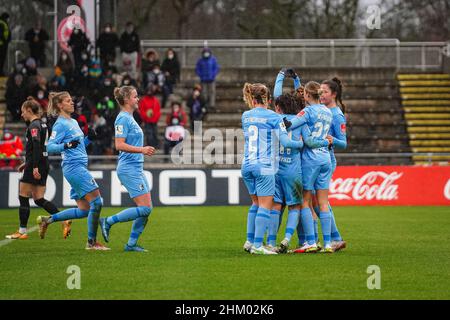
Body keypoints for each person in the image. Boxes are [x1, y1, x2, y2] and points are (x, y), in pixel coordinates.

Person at [37, 91, 109, 250]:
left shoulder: (74, 122)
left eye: (72, 100)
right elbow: (49, 146)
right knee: (97, 202)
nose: (72, 103)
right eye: (68, 101)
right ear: (60, 105)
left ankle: (47, 220)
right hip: (74, 167)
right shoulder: (60, 124)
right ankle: (91, 243)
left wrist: (89, 138)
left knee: (84, 210)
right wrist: (65, 146)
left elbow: (78, 145)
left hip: (78, 166)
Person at [240, 82, 305, 255]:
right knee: (265, 206)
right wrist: (300, 143)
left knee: (255, 203)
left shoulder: (245, 116)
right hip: (265, 166)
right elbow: (284, 141)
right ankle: (258, 245)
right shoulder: (274, 118)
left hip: (247, 165)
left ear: (253, 100)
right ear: (268, 99)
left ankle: (249, 241)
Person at [268, 92, 330, 254]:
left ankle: (270, 242)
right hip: (293, 171)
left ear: (278, 107)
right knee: (296, 206)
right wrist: (326, 142)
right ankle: (288, 239)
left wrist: (281, 75)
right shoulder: (300, 122)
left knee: (275, 205)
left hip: (276, 170)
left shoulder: (275, 120)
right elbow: (309, 142)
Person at [98, 86, 155, 252]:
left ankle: (131, 244)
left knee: (147, 209)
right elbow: (119, 145)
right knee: (144, 208)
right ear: (127, 100)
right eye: (135, 96)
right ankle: (108, 221)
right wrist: (142, 150)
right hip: (128, 168)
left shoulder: (130, 118)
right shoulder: (122, 119)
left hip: (136, 168)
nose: (138, 99)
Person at [5, 97, 71, 240]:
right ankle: (64, 219)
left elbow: (36, 145)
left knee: (23, 196)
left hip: (36, 164)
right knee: (39, 199)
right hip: (43, 162)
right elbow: (40, 147)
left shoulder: (34, 125)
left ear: (29, 110)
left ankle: (22, 231)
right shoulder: (42, 124)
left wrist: (33, 166)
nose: (22, 114)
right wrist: (27, 163)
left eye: (23, 111)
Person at [286, 81, 334, 253]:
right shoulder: (328, 112)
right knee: (323, 202)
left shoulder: (307, 112)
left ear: (306, 95)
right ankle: (328, 244)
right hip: (325, 159)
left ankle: (311, 242)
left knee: (305, 201)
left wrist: (280, 122)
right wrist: (326, 142)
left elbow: (289, 125)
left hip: (311, 160)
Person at [319, 77, 347, 252]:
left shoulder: (337, 115)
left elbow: (343, 143)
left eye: (325, 91)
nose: (321, 94)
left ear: (334, 94)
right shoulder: (322, 111)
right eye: (320, 91)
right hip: (318, 158)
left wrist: (331, 139)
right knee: (319, 201)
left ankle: (335, 238)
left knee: (321, 201)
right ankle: (335, 238)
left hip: (327, 159)